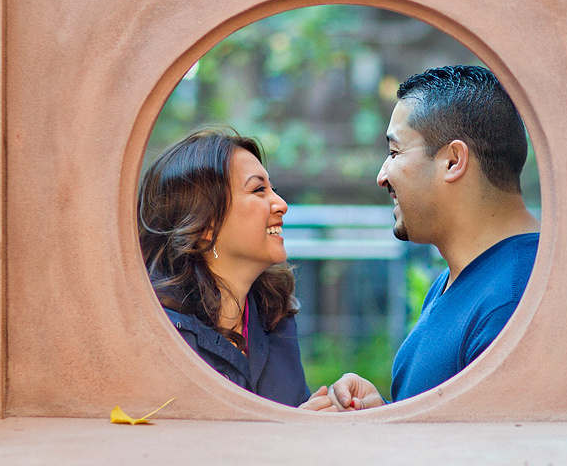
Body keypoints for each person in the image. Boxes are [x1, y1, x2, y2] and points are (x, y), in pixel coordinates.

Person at [310, 65, 541, 411]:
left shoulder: (515, 299)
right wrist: (386, 413)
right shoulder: (458, 279)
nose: (381, 176)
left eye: (394, 153)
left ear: (452, 161)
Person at [138, 128, 311, 407]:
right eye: (258, 190)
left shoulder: (275, 317)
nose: (281, 204)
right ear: (205, 224)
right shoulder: (163, 336)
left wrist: (336, 407)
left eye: (273, 189)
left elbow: (296, 412)